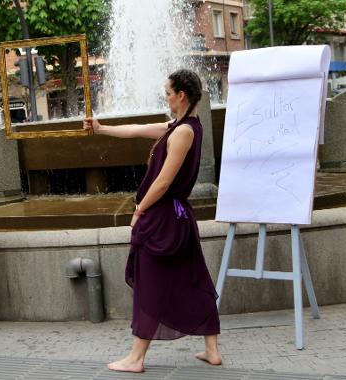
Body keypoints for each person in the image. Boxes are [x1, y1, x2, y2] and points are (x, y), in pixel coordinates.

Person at [84, 69, 222, 372]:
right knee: (194, 279)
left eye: (168, 93)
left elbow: (162, 182)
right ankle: (212, 349)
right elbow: (136, 129)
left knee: (150, 285)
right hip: (178, 219)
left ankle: (136, 358)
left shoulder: (183, 131)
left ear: (181, 95)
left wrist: (139, 210)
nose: (166, 97)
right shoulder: (181, 126)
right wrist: (101, 128)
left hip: (163, 220)